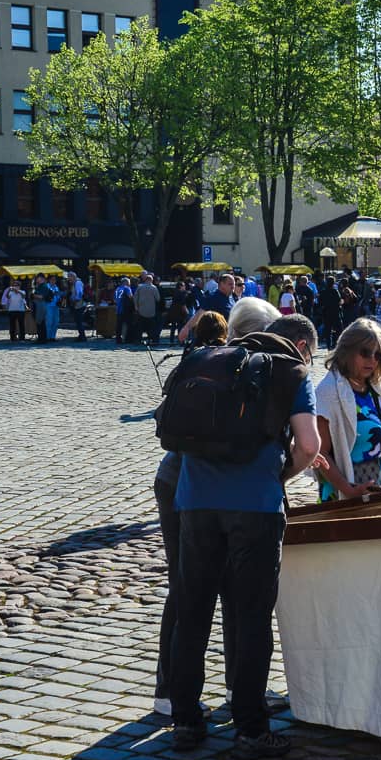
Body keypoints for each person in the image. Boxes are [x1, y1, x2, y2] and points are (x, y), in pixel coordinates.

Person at [168, 313, 321, 757]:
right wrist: (281, 475)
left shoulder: (204, 360)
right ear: (300, 344)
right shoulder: (292, 372)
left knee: (192, 611)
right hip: (254, 505)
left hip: (195, 501)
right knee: (251, 616)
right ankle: (251, 728)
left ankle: (185, 721)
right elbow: (309, 446)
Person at [152, 308, 229, 719]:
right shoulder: (233, 369)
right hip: (191, 485)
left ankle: (169, 689)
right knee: (188, 588)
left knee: (184, 588)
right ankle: (171, 689)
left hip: (176, 480)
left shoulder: (188, 365)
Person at [313, 318, 381, 501]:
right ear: (347, 351)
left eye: (378, 355)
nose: (372, 360)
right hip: (348, 495)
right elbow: (320, 454)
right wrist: (349, 490)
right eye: (365, 353)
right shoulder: (329, 392)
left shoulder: (374, 387)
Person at [134, 273, 161, 346]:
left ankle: (138, 340)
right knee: (151, 327)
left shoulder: (140, 287)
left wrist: (136, 307)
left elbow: (135, 297)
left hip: (141, 310)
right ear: (151, 280)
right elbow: (158, 299)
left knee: (140, 327)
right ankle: (151, 340)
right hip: (151, 311)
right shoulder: (154, 288)